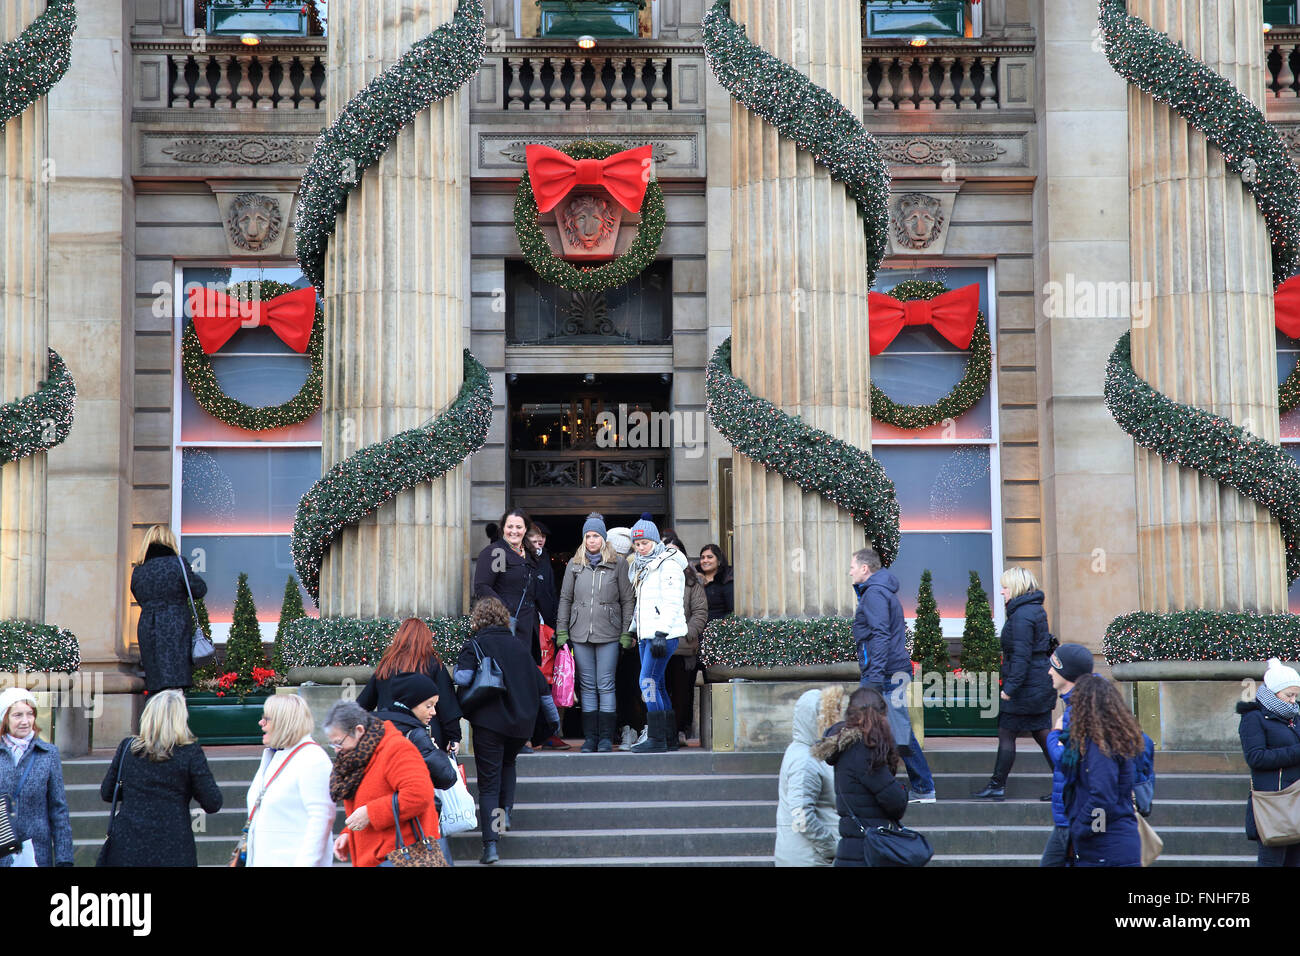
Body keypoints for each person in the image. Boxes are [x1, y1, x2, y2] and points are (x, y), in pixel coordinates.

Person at [454, 597, 558, 864]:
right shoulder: (519, 647)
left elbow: (462, 678)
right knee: (509, 764)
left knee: (489, 784)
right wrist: (552, 721)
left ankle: (490, 846)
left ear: (478, 619)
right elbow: (541, 687)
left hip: (488, 723)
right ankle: (506, 814)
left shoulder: (474, 644)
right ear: (503, 618)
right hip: (520, 725)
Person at [97, 689, 223, 867]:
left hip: (127, 844)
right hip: (174, 847)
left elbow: (107, 793)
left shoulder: (128, 748)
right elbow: (213, 802)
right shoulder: (189, 752)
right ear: (181, 719)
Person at [851, 547, 935, 802]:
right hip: (888, 671)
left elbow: (880, 635)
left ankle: (923, 787)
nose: (850, 571)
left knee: (896, 732)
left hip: (884, 673)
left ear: (865, 568)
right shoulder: (878, 591)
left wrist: (874, 677)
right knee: (883, 731)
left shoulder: (874, 594)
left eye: (853, 567)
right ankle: (894, 785)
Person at [324, 699, 439, 868]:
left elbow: (420, 794)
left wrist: (371, 813)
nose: (336, 750)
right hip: (381, 855)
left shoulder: (395, 748)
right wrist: (349, 832)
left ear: (359, 730)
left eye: (339, 742)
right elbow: (366, 801)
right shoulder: (359, 754)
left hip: (402, 855)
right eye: (332, 743)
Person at [973, 567, 1057, 799]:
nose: (1001, 592)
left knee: (1008, 733)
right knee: (1042, 733)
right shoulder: (1033, 610)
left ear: (1017, 587)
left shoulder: (1022, 616)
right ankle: (1068, 783)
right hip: (1036, 683)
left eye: (1005, 587)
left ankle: (997, 785)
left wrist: (1009, 689)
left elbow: (1021, 656)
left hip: (1025, 686)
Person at [556, 513, 634, 753]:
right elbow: (565, 598)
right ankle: (590, 738)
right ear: (583, 538)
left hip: (609, 633)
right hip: (580, 634)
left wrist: (626, 633)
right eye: (588, 536)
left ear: (603, 538)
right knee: (587, 686)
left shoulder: (618, 563)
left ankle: (605, 738)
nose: (592, 540)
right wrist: (561, 631)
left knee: (606, 685)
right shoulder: (574, 563)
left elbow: (627, 600)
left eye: (596, 536)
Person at [812, 686, 909, 867]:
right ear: (879, 717)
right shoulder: (864, 751)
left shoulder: (847, 748)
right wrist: (903, 788)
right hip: (869, 853)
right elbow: (896, 803)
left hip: (852, 849)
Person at [1057, 673, 1144, 867]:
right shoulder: (1111, 739)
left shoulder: (1099, 745)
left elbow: (1103, 796)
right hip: (1110, 845)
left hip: (1106, 848)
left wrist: (1082, 828)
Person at [375, 672, 460, 865]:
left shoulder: (377, 726)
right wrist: (436, 751)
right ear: (410, 703)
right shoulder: (415, 733)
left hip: (380, 821)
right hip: (413, 822)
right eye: (428, 705)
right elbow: (447, 777)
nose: (434, 712)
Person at [244, 695, 334, 867]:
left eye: (267, 718)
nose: (261, 723)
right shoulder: (274, 755)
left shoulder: (313, 758)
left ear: (284, 722)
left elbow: (321, 820)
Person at [627, 516, 688, 753]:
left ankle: (656, 737)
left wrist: (662, 632)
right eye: (637, 544)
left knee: (647, 681)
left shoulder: (668, 563)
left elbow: (673, 601)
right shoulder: (644, 565)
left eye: (645, 543)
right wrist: (634, 629)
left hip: (661, 633)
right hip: (647, 633)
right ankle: (667, 736)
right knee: (657, 684)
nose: (641, 548)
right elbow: (642, 604)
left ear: (654, 540)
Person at [356, 617, 462, 753]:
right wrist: (454, 737)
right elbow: (447, 704)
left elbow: (362, 704)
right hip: (426, 736)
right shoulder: (433, 664)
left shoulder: (386, 666)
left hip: (390, 735)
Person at [130, 523, 207, 693]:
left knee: (155, 684)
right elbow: (199, 590)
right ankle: (175, 717)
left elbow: (139, 596)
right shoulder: (178, 564)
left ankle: (156, 717)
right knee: (176, 682)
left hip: (147, 628)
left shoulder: (139, 571)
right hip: (175, 626)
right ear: (170, 541)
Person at [0, 688, 73, 868]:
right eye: (17, 715)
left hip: (36, 852)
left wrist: (64, 858)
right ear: (5, 719)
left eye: (30, 714)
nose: (25, 721)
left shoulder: (48, 754)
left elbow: (59, 809)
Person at [1238, 658, 1300, 866]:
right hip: (1275, 804)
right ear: (1273, 692)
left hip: (1296, 802)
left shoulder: (1295, 716)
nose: (1293, 700)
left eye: (1296, 695)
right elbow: (1256, 757)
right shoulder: (1253, 718)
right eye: (1289, 695)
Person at [775, 686, 845, 867]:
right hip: (809, 857)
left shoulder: (806, 752)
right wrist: (830, 847)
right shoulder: (804, 760)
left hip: (807, 855)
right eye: (829, 716)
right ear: (816, 719)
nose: (834, 722)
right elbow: (801, 814)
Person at [1041, 642, 1094, 866]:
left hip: (1073, 814)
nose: (1049, 671)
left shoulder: (1077, 712)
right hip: (1072, 813)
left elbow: (1064, 759)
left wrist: (1053, 734)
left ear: (1067, 673)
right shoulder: (1083, 703)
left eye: (1054, 666)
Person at [473, 507, 540, 665]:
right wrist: (503, 612)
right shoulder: (499, 553)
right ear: (503, 528)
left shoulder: (529, 554)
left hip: (528, 626)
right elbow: (483, 586)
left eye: (518, 527)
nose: (514, 531)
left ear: (525, 529)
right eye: (510, 526)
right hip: (507, 626)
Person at [662, 531, 708, 749]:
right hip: (659, 647)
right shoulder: (656, 578)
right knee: (661, 690)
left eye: (675, 551)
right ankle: (662, 731)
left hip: (683, 647)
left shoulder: (692, 582)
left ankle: (680, 730)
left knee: (682, 693)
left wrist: (687, 633)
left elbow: (699, 612)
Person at [607, 525, 645, 750]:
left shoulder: (637, 568)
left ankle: (629, 728)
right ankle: (620, 729)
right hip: (609, 635)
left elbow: (635, 603)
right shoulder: (606, 566)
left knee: (628, 686)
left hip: (630, 637)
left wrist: (630, 633)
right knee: (615, 686)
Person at [696, 543, 735, 622]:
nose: (705, 560)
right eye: (702, 558)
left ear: (719, 560)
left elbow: (730, 611)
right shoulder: (694, 579)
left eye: (709, 557)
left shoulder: (726, 580)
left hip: (716, 628)